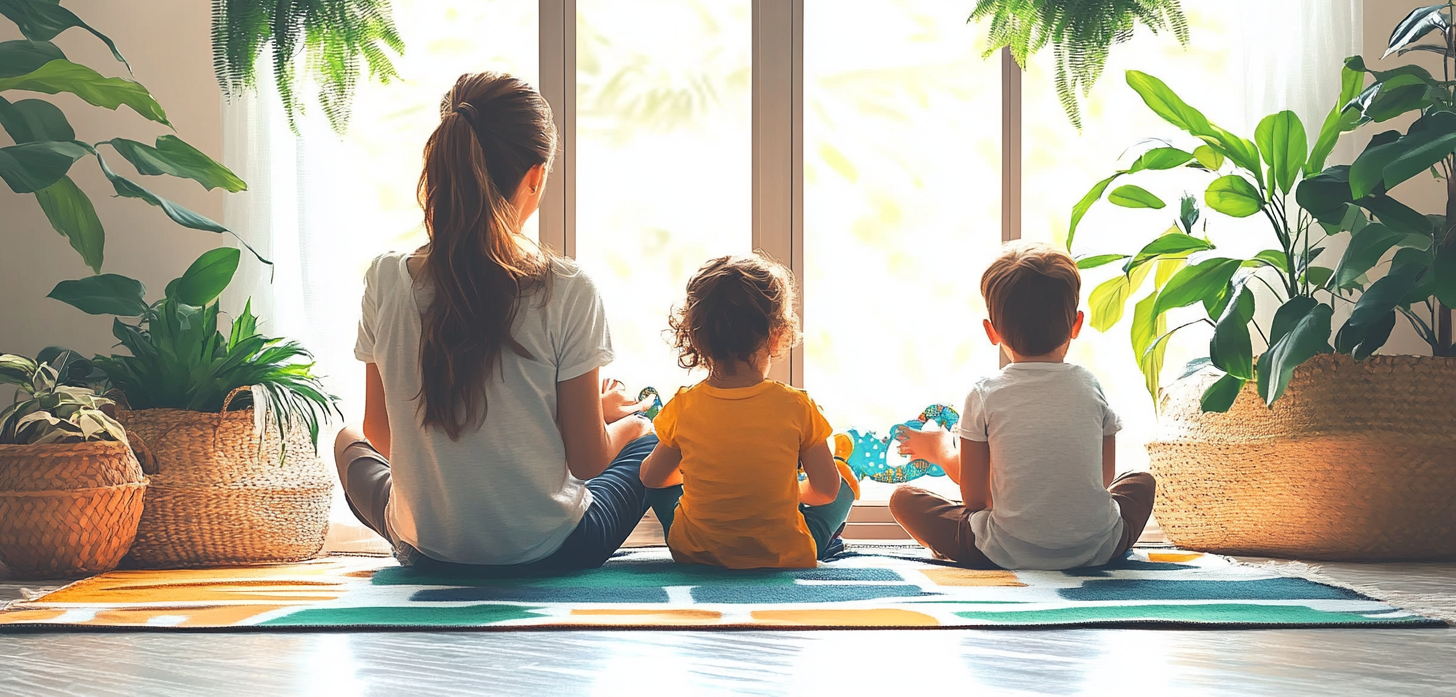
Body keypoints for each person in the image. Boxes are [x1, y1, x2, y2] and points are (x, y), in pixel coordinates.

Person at [334, 72, 657, 574]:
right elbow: (588, 460)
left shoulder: (386, 278)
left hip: (427, 552)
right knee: (649, 437)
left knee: (347, 438)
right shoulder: (568, 287)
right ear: (536, 176)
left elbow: (380, 431)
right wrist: (627, 424)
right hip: (554, 552)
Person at [889, 243, 1156, 570]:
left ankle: (981, 549)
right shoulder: (1090, 386)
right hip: (1097, 547)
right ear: (1076, 324)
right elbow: (1101, 480)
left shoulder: (984, 394)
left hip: (1005, 549)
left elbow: (974, 500)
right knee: (1142, 482)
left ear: (992, 331)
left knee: (904, 500)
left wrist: (941, 449)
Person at [638, 254, 856, 569]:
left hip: (697, 553)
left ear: (695, 336)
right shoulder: (797, 405)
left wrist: (699, 478)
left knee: (656, 484)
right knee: (843, 485)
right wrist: (786, 493)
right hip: (781, 556)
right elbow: (825, 491)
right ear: (778, 335)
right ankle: (824, 533)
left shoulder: (684, 405)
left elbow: (652, 477)